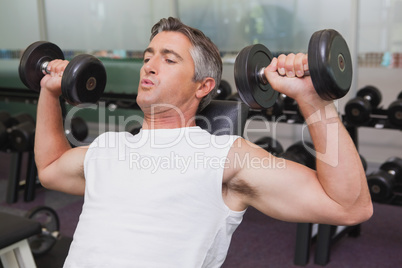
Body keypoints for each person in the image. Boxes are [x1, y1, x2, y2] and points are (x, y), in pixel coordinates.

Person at [35, 17, 373, 267]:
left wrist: (313, 100)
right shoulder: (108, 146)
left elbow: (349, 205)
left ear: (203, 86)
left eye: (169, 59)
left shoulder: (224, 157)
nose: (150, 66)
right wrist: (49, 91)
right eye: (148, 56)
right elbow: (50, 169)